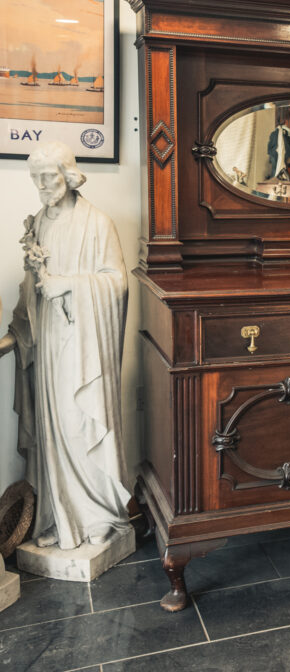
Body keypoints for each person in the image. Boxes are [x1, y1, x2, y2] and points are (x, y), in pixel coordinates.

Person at [0, 142, 130, 550]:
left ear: (69, 175)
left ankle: (96, 513)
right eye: (35, 178)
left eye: (49, 176)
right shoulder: (37, 223)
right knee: (53, 428)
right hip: (50, 342)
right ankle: (62, 515)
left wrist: (70, 285)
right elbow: (30, 285)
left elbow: (117, 281)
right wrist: (17, 330)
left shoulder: (98, 223)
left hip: (86, 344)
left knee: (81, 423)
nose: (41, 185)